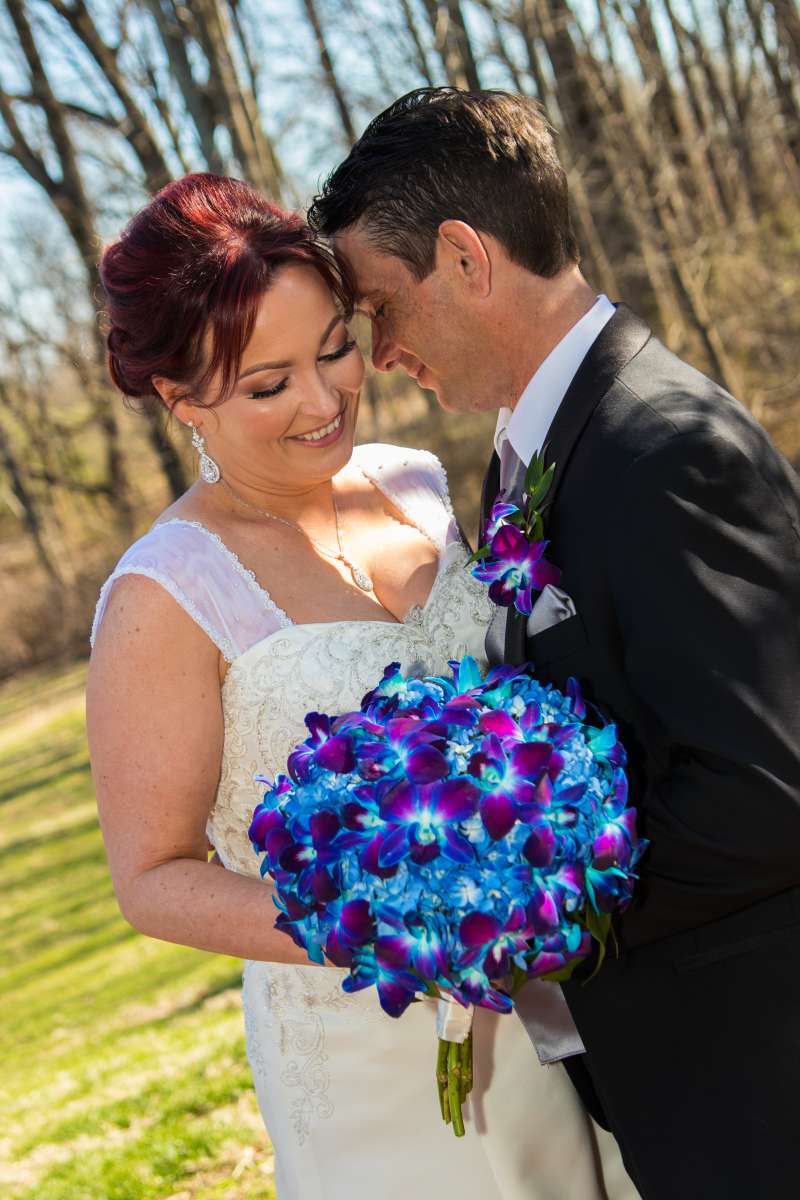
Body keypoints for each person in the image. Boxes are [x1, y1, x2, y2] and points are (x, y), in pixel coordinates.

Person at [87, 172, 626, 1200]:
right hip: (368, 1051)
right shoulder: (165, 593)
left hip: (549, 996)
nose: (324, 399)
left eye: (334, 348)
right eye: (267, 385)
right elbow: (150, 876)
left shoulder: (413, 482)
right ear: (180, 398)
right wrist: (386, 925)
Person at [308, 87, 800, 1199]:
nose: (378, 353)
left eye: (380, 307)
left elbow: (766, 794)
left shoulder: (662, 448)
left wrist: (531, 916)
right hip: (683, 1076)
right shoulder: (532, 452)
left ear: (464, 257)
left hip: (758, 1071)